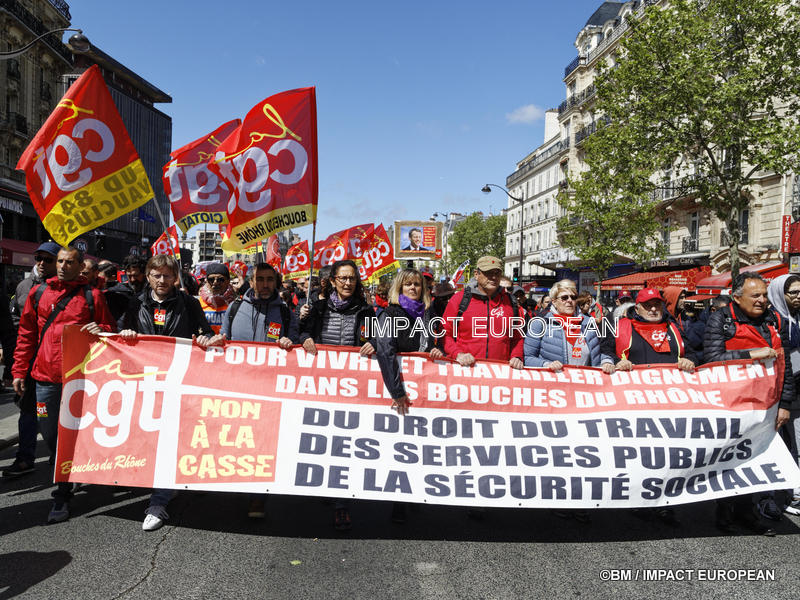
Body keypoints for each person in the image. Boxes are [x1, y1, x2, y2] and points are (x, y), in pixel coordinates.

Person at [11, 246, 116, 523]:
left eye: (69, 262)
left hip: (82, 380)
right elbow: (26, 334)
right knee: (49, 433)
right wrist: (19, 371)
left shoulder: (93, 296)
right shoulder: (38, 293)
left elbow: (110, 330)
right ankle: (69, 471)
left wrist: (102, 329)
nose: (61, 266)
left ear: (80, 266)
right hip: (45, 379)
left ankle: (62, 493)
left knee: (75, 434)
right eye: (59, 261)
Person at [119, 254, 222, 531]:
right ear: (148, 277)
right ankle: (165, 485)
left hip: (178, 382)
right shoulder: (136, 302)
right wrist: (126, 334)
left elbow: (206, 332)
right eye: (156, 275)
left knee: (168, 439)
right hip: (145, 382)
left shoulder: (188, 303)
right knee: (150, 439)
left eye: (167, 275)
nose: (162, 280)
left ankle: (158, 502)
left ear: (175, 278)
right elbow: (121, 334)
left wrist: (205, 338)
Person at [704, 273, 794, 536]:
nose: (762, 300)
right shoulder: (720, 320)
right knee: (729, 457)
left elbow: (785, 365)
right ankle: (724, 512)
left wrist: (785, 403)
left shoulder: (775, 319)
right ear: (736, 297)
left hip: (766, 406)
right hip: (731, 404)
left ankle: (748, 512)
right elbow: (712, 358)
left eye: (764, 295)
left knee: (756, 458)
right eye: (755, 295)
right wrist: (749, 355)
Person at [600, 287, 697, 526]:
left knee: (668, 454)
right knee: (640, 454)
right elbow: (605, 351)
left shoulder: (674, 327)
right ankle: (637, 499)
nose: (653, 309)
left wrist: (690, 360)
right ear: (637, 307)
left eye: (657, 304)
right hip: (633, 403)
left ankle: (665, 503)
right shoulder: (620, 326)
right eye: (648, 305)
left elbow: (695, 353)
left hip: (670, 403)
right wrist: (616, 362)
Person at [525, 279, 613, 525]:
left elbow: (600, 354)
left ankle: (581, 500)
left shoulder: (587, 323)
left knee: (584, 450)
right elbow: (527, 357)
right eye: (564, 297)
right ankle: (559, 499)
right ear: (553, 301)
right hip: (554, 396)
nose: (570, 301)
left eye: (573, 297)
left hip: (584, 396)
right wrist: (545, 364)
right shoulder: (540, 323)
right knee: (559, 451)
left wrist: (607, 361)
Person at [300, 259, 376, 531]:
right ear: (332, 281)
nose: (347, 283)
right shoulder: (317, 307)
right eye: (342, 278)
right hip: (322, 384)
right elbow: (301, 332)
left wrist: (373, 343)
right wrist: (304, 336)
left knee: (344, 442)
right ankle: (324, 484)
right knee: (323, 438)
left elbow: (377, 337)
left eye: (352, 278)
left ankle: (341, 503)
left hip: (351, 386)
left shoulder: (366, 310)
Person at [221, 262, 298, 519]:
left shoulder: (285, 312)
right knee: (237, 438)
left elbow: (296, 343)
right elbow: (223, 340)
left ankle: (258, 497)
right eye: (260, 279)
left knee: (263, 442)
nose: (265, 284)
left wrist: (290, 342)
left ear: (276, 282)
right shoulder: (234, 308)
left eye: (269, 279)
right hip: (238, 385)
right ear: (251, 281)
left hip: (270, 388)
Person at [375, 268, 444, 523]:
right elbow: (385, 351)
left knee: (421, 445)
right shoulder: (390, 314)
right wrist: (397, 391)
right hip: (401, 390)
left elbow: (439, 341)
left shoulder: (429, 314)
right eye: (408, 285)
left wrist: (437, 350)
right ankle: (399, 502)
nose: (413, 288)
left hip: (425, 388)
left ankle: (417, 492)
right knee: (401, 447)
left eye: (417, 284)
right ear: (399, 288)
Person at [2, 241, 60, 478]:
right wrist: (15, 364)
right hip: (30, 359)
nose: (42, 263)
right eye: (39, 258)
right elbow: (15, 323)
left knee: (54, 413)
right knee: (27, 409)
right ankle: (25, 458)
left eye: (48, 259)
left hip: (57, 362)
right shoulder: (24, 286)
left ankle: (61, 459)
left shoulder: (70, 289)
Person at [441, 256, 524, 369]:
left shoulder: (510, 301)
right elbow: (444, 333)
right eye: (488, 273)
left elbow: (517, 337)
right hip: (466, 370)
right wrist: (458, 354)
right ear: (476, 274)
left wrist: (517, 356)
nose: (493, 277)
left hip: (500, 372)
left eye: (497, 273)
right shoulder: (459, 299)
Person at [767, 275, 800, 518]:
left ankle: (795, 493)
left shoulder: (797, 318)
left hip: (796, 393)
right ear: (780, 293)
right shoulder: (771, 319)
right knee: (773, 445)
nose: (799, 297)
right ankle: (767, 496)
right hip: (774, 394)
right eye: (793, 293)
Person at [104, 255, 147, 322]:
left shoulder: (152, 293)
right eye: (129, 276)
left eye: (136, 275)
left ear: (144, 273)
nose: (132, 279)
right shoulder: (116, 293)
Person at [198, 263, 235, 334]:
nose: (215, 283)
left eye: (220, 279)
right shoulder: (198, 304)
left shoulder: (237, 303)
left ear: (228, 281)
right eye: (211, 279)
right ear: (207, 281)